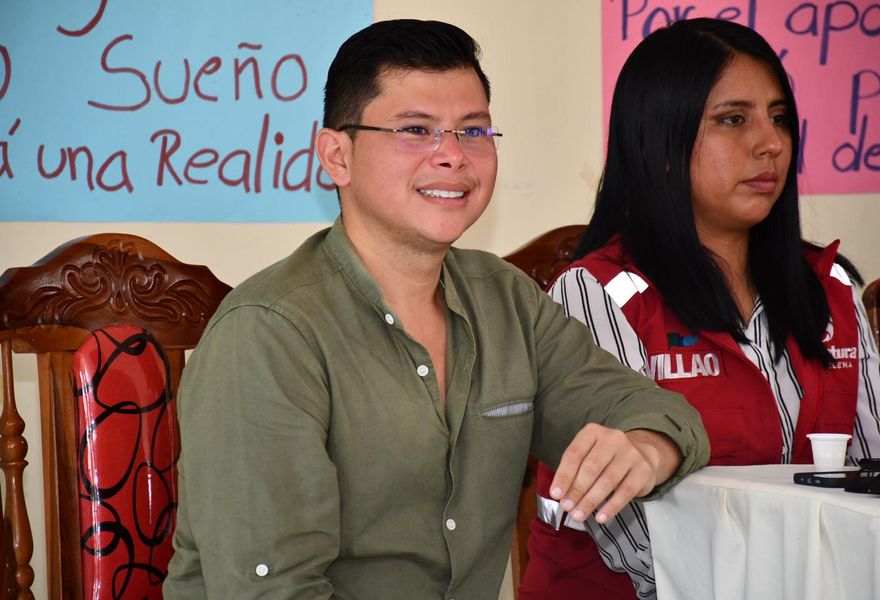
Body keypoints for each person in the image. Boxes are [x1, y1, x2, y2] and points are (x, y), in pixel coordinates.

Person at [162, 19, 710, 599]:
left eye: (473, 131)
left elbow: (654, 411)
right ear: (336, 155)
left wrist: (647, 446)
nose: (452, 156)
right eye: (416, 130)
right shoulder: (268, 333)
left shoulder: (506, 300)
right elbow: (274, 591)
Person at [519, 17, 880, 600]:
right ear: (657, 140)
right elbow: (631, 539)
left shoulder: (832, 288)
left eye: (779, 117)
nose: (771, 143)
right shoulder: (595, 291)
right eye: (733, 119)